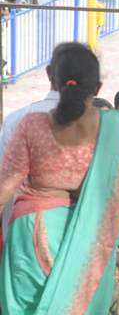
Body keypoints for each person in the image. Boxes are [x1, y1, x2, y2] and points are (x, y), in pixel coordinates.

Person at [0, 42, 119, 314]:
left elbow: (3, 192)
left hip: (32, 236)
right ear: (98, 88)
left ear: (50, 77)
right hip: (90, 245)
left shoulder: (32, 125)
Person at [0, 42, 80, 244]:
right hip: (72, 243)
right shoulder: (95, 124)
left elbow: (4, 182)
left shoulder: (17, 119)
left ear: (49, 73)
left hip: (20, 239)